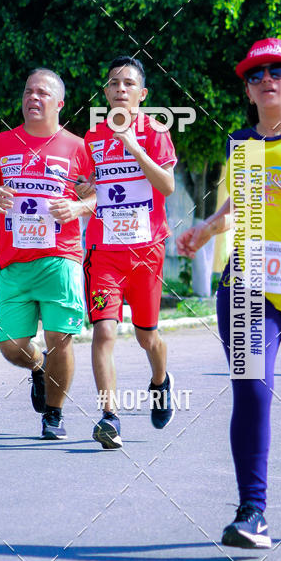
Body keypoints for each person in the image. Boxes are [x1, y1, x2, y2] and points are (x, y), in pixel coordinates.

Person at [177, 38, 281, 547]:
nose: (266, 79)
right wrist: (205, 229)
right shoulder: (241, 143)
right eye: (255, 74)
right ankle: (253, 511)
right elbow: (239, 207)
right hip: (248, 285)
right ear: (248, 91)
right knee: (250, 388)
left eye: (278, 70)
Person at [0, 68, 94, 439]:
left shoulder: (78, 147)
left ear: (59, 103)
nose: (33, 98)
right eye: (29, 91)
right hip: (13, 262)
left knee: (61, 337)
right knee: (10, 345)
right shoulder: (3, 143)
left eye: (42, 93)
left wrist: (77, 207)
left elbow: (100, 195)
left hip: (61, 257)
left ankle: (54, 415)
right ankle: (39, 366)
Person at [77, 56, 177, 449]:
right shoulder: (92, 138)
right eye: (114, 83)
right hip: (104, 252)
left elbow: (167, 185)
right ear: (105, 92)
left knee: (147, 336)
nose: (121, 89)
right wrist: (83, 189)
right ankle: (110, 417)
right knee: (104, 330)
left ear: (142, 94)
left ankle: (160, 382)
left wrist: (134, 147)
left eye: (129, 83)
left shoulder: (155, 132)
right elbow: (86, 189)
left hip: (147, 252)